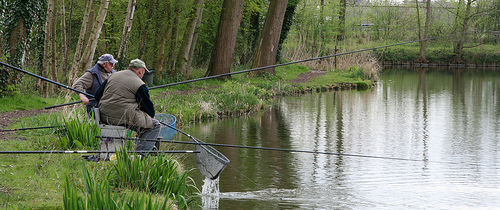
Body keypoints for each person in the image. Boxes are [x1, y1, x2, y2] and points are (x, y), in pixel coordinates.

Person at [94, 59, 161, 152]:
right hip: (122, 117)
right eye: (143, 73)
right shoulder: (139, 84)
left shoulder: (113, 76)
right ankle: (141, 154)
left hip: (104, 115)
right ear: (140, 71)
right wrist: (150, 117)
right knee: (155, 125)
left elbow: (97, 95)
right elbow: (148, 108)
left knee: (145, 122)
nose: (142, 76)